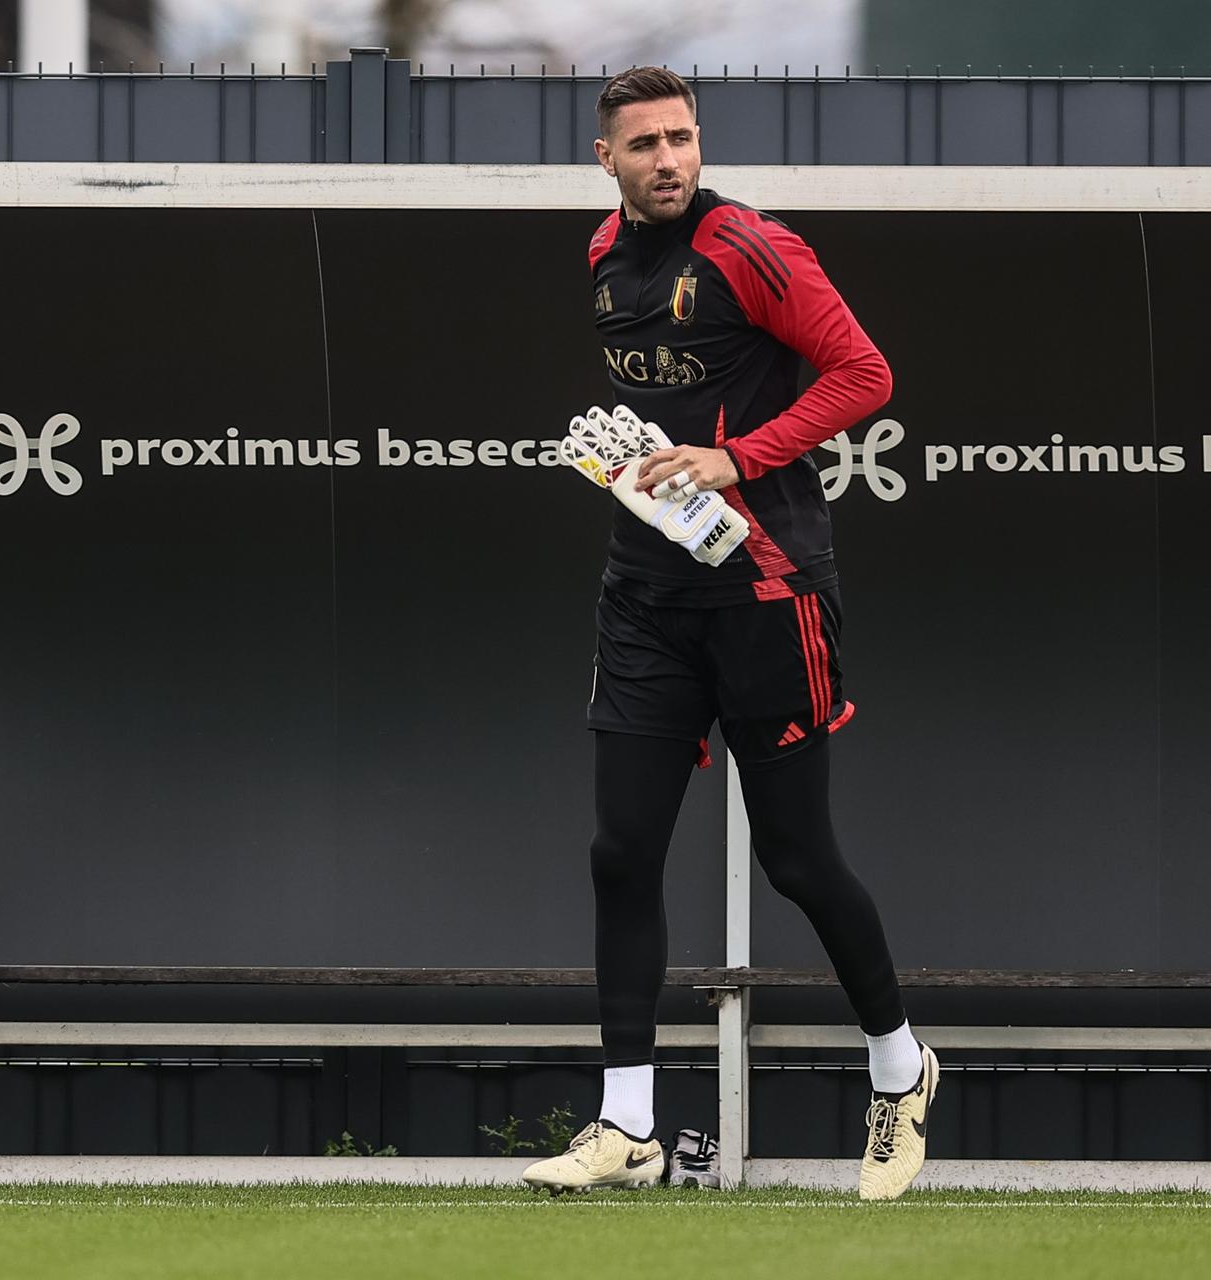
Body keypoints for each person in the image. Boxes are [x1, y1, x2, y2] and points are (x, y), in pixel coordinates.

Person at [520, 66, 938, 1202]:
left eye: (683, 138)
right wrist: (635, 464)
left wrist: (735, 456)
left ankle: (900, 1074)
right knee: (621, 851)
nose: (669, 158)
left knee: (799, 858)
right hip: (646, 592)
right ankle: (628, 1126)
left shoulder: (754, 246)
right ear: (603, 157)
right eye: (645, 142)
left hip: (766, 584)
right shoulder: (602, 256)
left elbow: (866, 373)